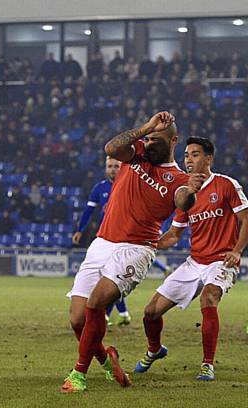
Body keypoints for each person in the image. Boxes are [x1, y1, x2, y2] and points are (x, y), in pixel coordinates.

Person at [62, 111, 205, 393]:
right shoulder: (136, 152)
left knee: (97, 302)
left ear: (173, 140)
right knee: (77, 319)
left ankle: (78, 374)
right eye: (148, 139)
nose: (150, 143)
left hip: (136, 248)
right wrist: (147, 127)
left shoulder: (178, 178)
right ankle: (106, 360)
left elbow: (183, 201)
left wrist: (190, 191)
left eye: (157, 139)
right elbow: (111, 148)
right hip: (103, 242)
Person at [133, 137, 248, 381]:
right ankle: (155, 349)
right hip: (194, 262)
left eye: (195, 154)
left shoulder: (226, 185)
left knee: (208, 299)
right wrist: (146, 243)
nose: (188, 159)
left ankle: (207, 364)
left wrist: (237, 250)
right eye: (186, 155)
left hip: (220, 261)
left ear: (209, 158)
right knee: (151, 312)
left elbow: (245, 218)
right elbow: (174, 235)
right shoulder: (185, 196)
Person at [72, 157, 173, 326]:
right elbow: (88, 212)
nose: (112, 169)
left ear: (124, 167)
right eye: (109, 166)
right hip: (107, 238)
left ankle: (107, 315)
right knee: (108, 279)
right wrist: (80, 230)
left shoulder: (135, 184)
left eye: (116, 166)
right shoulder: (100, 188)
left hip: (129, 239)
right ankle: (122, 313)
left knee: (113, 280)